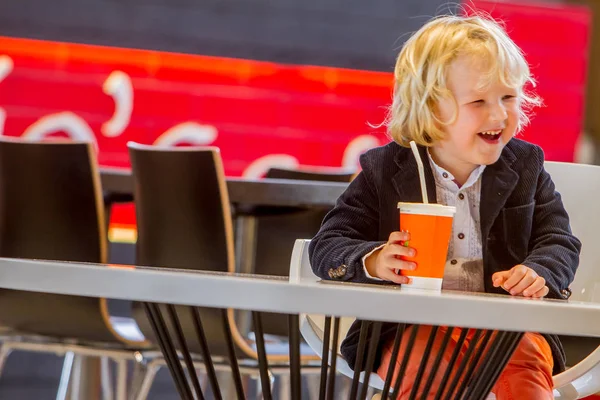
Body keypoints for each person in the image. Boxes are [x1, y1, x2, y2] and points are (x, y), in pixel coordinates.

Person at [308, 14, 581, 399]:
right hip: (410, 324)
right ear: (432, 108)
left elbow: (559, 240)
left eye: (508, 97)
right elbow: (328, 245)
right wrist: (375, 260)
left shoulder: (525, 166)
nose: (499, 115)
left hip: (505, 323)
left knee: (525, 364)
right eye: (479, 101)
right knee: (426, 369)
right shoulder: (384, 170)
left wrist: (539, 272)